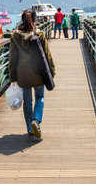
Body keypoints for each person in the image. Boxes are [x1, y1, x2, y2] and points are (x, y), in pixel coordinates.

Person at [10, 10, 56, 141]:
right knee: (40, 97)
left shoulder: (15, 36)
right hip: (38, 72)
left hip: (23, 74)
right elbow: (46, 55)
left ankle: (30, 129)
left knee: (27, 102)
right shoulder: (39, 34)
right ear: (34, 20)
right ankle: (36, 119)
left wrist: (12, 77)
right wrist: (52, 71)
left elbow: (12, 58)